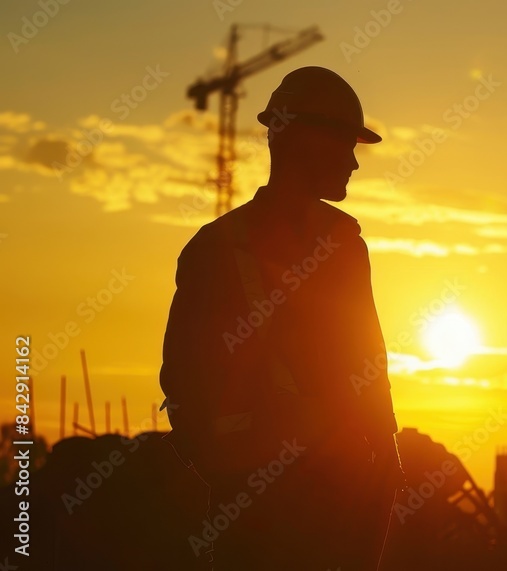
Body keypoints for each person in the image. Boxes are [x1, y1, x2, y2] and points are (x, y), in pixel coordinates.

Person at [159, 66, 403, 570]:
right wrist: (235, 474)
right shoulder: (217, 251)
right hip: (262, 518)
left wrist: (381, 459)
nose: (355, 163)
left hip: (332, 501)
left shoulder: (342, 246)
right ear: (304, 140)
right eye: (344, 144)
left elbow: (368, 367)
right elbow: (184, 382)